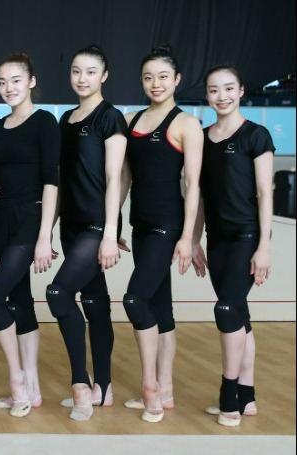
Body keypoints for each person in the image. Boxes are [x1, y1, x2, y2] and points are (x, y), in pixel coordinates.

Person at [120, 45, 203, 423]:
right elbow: (124, 178)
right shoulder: (131, 118)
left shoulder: (185, 123)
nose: (155, 83)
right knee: (160, 307)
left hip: (167, 226)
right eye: (148, 77)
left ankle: (151, 385)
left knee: (135, 299)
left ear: (177, 80)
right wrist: (115, 224)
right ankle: (166, 389)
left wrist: (188, 237)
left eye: (163, 77)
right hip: (140, 224)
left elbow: (194, 184)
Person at [46, 45, 127, 421]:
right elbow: (61, 180)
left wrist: (110, 232)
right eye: (76, 71)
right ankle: (105, 387)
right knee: (95, 302)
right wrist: (48, 230)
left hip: (97, 224)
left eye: (90, 72)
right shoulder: (66, 120)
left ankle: (81, 382)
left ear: (104, 75)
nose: (82, 78)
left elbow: (115, 178)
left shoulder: (111, 118)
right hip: (72, 224)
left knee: (59, 292)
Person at [0, 52, 59, 418]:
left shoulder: (45, 123)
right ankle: (35, 389)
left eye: (15, 80)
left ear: (31, 81)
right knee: (20, 302)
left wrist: (45, 237)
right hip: (3, 219)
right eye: (1, 81)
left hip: (30, 218)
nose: (8, 88)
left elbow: (51, 182)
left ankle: (17, 381)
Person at [193, 65, 274, 427]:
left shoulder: (256, 135)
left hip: (246, 238)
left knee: (225, 310)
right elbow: (198, 196)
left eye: (228, 88)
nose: (221, 96)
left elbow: (264, 193)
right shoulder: (202, 138)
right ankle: (248, 395)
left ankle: (228, 393)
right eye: (214, 90)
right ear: (207, 95)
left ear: (241, 90)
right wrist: (193, 239)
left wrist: (264, 247)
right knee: (239, 314)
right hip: (217, 240)